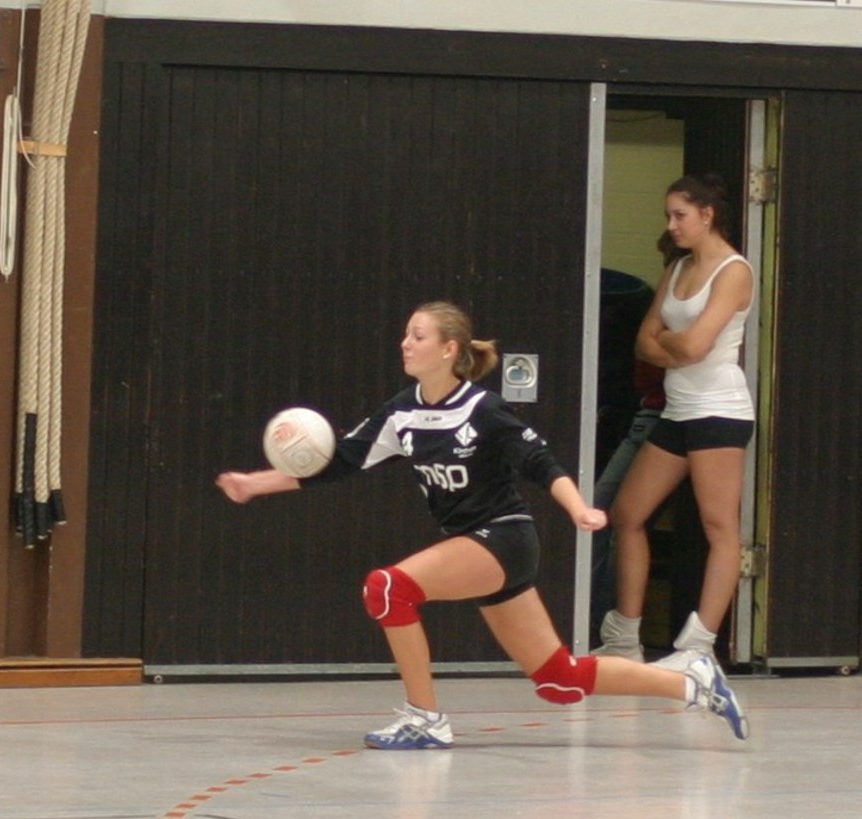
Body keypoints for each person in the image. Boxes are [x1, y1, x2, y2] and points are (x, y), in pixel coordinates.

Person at [216, 300, 747, 748]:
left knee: (388, 589)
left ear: (449, 349)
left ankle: (425, 718)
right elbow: (338, 463)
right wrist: (254, 483)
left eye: (418, 335)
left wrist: (578, 509)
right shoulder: (401, 414)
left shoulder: (482, 409)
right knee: (558, 679)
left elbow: (541, 463)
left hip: (504, 537)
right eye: (405, 334)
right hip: (474, 544)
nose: (405, 343)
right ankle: (690, 681)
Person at [594, 175, 755, 671]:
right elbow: (644, 341)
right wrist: (674, 347)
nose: (672, 225)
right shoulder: (678, 266)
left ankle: (698, 647)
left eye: (679, 215)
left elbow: (697, 345)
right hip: (678, 409)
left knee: (719, 526)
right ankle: (625, 636)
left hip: (719, 410)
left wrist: (672, 345)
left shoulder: (734, 271)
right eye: (668, 215)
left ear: (707, 214)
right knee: (627, 514)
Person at [589, 233, 681, 644]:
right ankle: (605, 626)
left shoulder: (673, 300)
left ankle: (605, 626)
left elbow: (659, 352)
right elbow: (648, 351)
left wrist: (661, 344)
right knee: (611, 516)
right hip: (657, 411)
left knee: (612, 516)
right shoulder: (655, 297)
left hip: (665, 413)